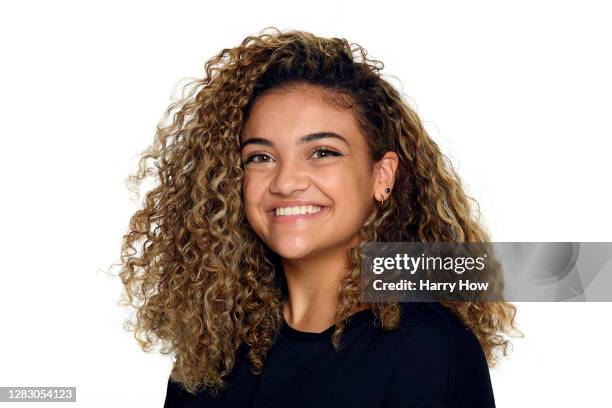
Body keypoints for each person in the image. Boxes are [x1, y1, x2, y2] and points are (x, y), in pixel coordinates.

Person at [117, 27, 519, 407]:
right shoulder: (212, 354)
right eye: (261, 157)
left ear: (382, 176)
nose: (286, 181)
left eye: (322, 152)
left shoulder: (429, 347)